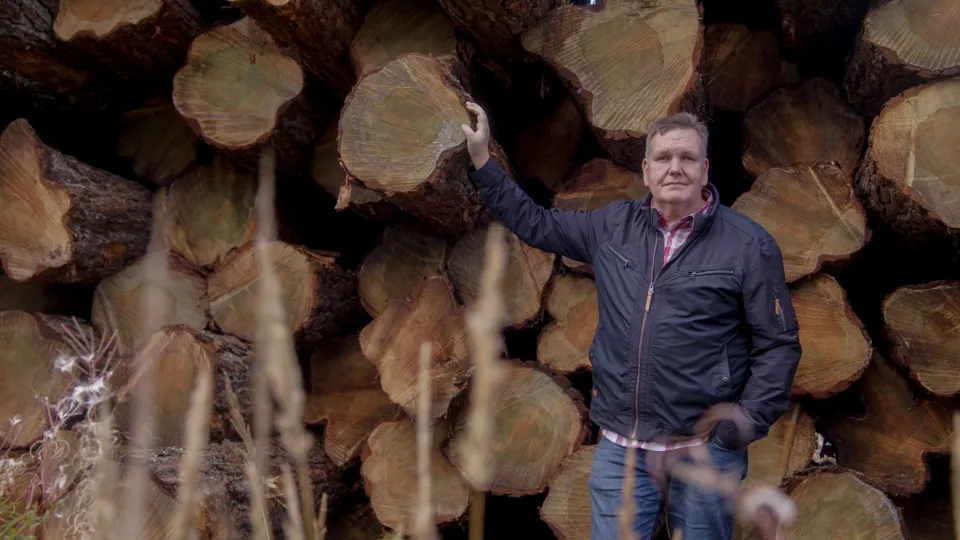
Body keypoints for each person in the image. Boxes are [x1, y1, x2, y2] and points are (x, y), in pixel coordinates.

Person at [460, 101, 801, 540]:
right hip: (622, 449)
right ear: (645, 170)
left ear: (705, 169)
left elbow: (778, 344)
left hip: (704, 452)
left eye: (687, 158)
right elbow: (537, 224)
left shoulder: (748, 246)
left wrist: (739, 427)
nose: (674, 167)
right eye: (663, 158)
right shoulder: (613, 227)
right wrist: (483, 162)